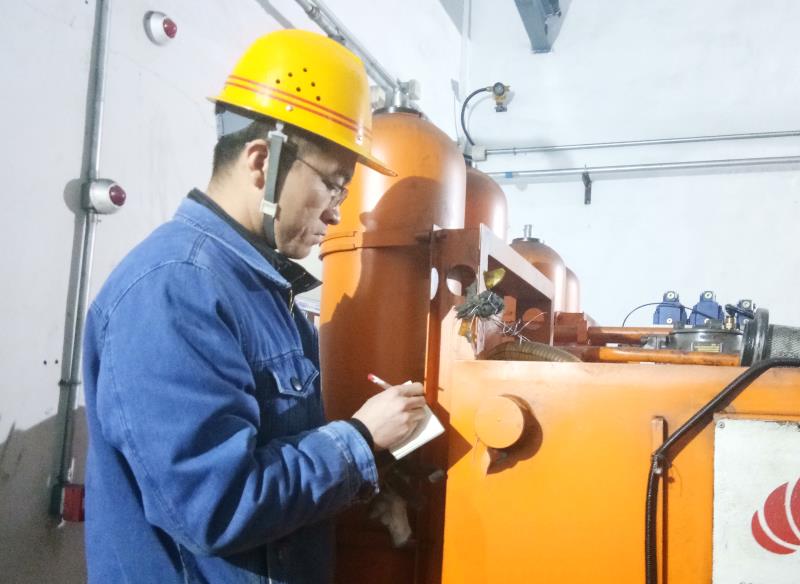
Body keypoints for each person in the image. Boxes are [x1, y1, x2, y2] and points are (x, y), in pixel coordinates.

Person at [82, 29, 427, 583]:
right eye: (333, 184)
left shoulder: (265, 293)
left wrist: (364, 478)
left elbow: (277, 464)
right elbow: (215, 507)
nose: (337, 212)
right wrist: (360, 440)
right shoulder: (176, 289)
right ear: (263, 162)